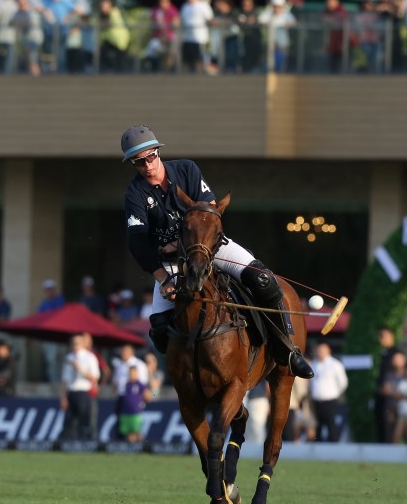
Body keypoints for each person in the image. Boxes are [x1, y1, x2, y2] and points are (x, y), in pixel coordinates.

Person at [120, 125, 313, 379]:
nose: (147, 165)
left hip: (210, 248)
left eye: (150, 157)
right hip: (172, 264)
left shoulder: (186, 169)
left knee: (264, 280)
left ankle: (288, 351)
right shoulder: (135, 193)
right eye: (138, 162)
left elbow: (211, 209)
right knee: (158, 330)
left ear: (158, 151)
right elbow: (137, 243)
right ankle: (188, 380)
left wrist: (182, 242)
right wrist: (161, 278)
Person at [60, 332, 100, 442]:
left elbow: (95, 376)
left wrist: (81, 370)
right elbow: (64, 380)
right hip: (71, 391)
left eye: (77, 343)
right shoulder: (69, 357)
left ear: (82, 344)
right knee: (69, 421)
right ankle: (68, 443)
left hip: (83, 391)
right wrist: (63, 397)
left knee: (85, 420)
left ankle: (86, 442)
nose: (74, 345)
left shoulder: (89, 357)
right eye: (73, 343)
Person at [308, 341, 348, 442]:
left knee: (331, 426)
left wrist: (334, 393)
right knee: (318, 426)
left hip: (330, 401)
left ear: (328, 351)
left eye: (322, 350)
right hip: (316, 401)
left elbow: (343, 383)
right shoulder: (313, 364)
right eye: (319, 350)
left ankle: (333, 450)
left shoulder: (335, 365)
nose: (320, 352)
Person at [371, 326, 401, 443]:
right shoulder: (381, 353)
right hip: (381, 395)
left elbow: (400, 373)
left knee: (389, 427)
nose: (381, 339)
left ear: (391, 337)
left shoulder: (396, 354)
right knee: (380, 426)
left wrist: (391, 388)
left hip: (391, 398)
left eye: (383, 336)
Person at [115, 364, 148, 443]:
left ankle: (143, 445)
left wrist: (142, 403)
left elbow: (148, 396)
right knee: (128, 434)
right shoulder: (125, 384)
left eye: (133, 373)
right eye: (130, 373)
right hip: (125, 412)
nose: (131, 374)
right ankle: (132, 450)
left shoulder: (140, 385)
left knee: (136, 432)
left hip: (136, 412)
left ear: (137, 373)